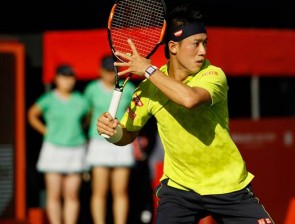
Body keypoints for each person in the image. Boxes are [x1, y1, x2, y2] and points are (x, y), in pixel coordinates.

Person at [96, 3, 275, 224]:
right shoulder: (148, 89)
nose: (203, 51)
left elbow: (189, 99)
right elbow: (128, 133)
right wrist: (113, 133)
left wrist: (149, 70)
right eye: (196, 44)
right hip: (180, 190)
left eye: (205, 43)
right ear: (173, 47)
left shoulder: (213, 75)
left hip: (228, 186)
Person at [28, 64, 89, 224]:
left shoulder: (81, 100)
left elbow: (88, 116)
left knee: (71, 194)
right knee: (54, 194)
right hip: (53, 148)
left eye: (70, 77)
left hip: (76, 148)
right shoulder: (48, 99)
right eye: (64, 77)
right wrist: (46, 131)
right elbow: (32, 114)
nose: (67, 81)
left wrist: (80, 129)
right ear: (56, 79)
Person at [84, 55, 136, 224]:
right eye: (106, 70)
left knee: (120, 191)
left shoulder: (130, 89)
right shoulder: (91, 89)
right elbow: (88, 114)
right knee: (99, 191)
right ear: (100, 71)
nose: (109, 74)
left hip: (121, 141)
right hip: (99, 142)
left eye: (112, 70)